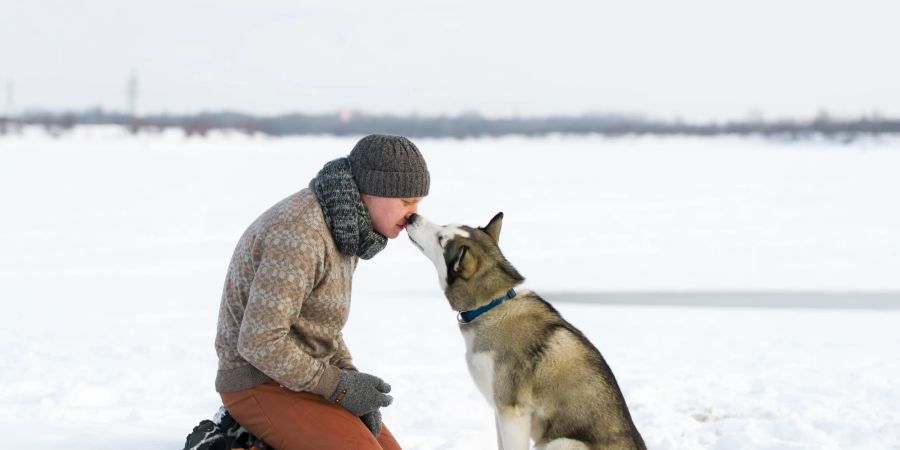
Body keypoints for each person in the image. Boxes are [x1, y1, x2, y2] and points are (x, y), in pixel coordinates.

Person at [183, 134, 429, 450]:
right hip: (257, 382)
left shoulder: (346, 230)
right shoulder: (299, 234)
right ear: (370, 193)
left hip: (303, 377)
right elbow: (259, 343)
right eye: (407, 201)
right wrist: (339, 387)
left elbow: (321, 329)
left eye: (419, 201)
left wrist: (354, 389)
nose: (415, 213)